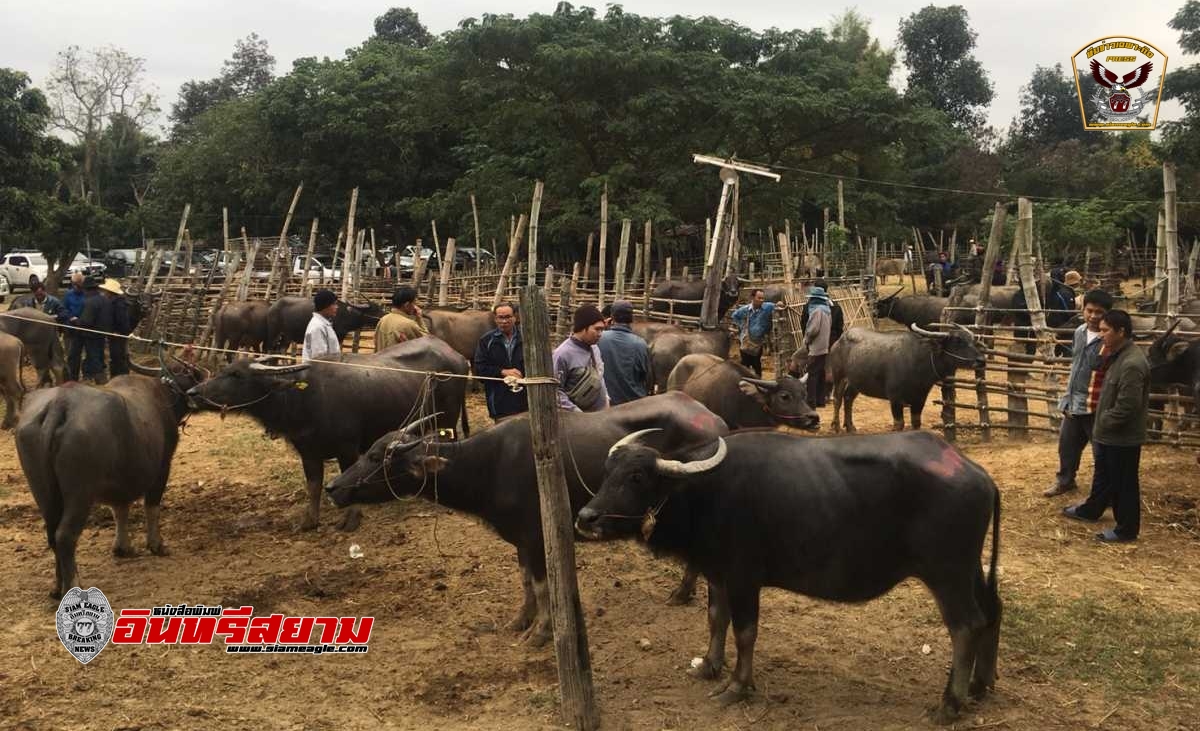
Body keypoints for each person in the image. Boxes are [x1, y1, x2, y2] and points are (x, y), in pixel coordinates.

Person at [1062, 310, 1149, 542]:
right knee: (1111, 477)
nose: (1101, 335)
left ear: (1121, 332)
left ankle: (1126, 530)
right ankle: (1096, 512)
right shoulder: (1118, 356)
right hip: (1113, 434)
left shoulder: (1131, 363)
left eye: (1105, 331)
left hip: (1122, 436)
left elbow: (1127, 406)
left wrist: (1103, 423)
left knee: (1124, 484)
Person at [1044, 289, 1112, 498]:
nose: (1093, 316)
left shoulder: (1110, 339)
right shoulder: (1079, 332)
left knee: (1102, 453)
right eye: (1089, 310)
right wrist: (1067, 396)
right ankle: (1065, 481)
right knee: (1067, 446)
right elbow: (1076, 366)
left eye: (1099, 312)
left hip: (1096, 403)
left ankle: (1106, 493)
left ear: (1107, 313)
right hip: (1074, 401)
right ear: (1082, 309)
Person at [473, 302, 528, 421]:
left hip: (525, 400)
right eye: (500, 317)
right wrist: (502, 372)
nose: (504, 321)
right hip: (499, 400)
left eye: (508, 317)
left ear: (515, 317)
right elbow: (480, 370)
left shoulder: (527, 338)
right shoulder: (486, 341)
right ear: (495, 319)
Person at [553, 304, 609, 412]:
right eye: (597, 329)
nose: (600, 334)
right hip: (576, 421)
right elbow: (555, 391)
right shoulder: (562, 354)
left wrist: (606, 399)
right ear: (583, 328)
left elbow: (600, 377)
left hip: (600, 418)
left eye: (602, 330)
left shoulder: (595, 349)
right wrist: (576, 412)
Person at [597, 300, 649, 406]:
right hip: (633, 405)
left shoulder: (599, 339)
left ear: (612, 317)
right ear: (631, 318)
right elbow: (647, 378)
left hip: (605, 404)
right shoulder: (640, 343)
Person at [730, 288, 775, 377]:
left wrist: (780, 304)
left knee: (757, 364)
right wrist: (742, 326)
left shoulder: (767, 307)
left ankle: (758, 382)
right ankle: (744, 382)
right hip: (746, 341)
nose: (761, 300)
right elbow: (735, 316)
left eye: (763, 298)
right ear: (752, 298)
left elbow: (777, 306)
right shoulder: (745, 309)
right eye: (759, 298)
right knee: (745, 364)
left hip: (758, 343)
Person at [76, 277, 112, 384]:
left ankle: (101, 380)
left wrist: (77, 321)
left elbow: (86, 321)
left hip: (91, 335)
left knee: (94, 357)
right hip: (102, 334)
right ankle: (91, 376)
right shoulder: (105, 300)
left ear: (87, 289)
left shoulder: (90, 302)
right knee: (98, 356)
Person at [803, 284, 833, 408]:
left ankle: (811, 402)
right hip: (824, 345)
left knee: (812, 374)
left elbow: (813, 330)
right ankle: (821, 400)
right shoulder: (827, 310)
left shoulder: (817, 311)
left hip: (815, 347)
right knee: (820, 373)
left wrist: (807, 339)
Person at [375, 286, 427, 350]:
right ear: (407, 305)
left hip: (381, 359)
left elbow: (376, 343)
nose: (415, 306)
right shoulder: (408, 324)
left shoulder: (383, 319)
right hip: (397, 360)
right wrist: (419, 319)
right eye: (414, 303)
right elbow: (428, 342)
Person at [100, 278, 132, 377]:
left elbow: (122, 321)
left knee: (118, 356)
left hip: (117, 335)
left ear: (110, 292)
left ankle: (121, 376)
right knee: (117, 356)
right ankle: (118, 375)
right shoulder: (115, 302)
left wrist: (118, 331)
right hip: (115, 334)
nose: (104, 293)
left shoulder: (118, 304)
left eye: (105, 291)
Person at [61, 272, 87, 381]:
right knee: (71, 354)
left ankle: (86, 375)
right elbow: (64, 309)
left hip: (84, 327)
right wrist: (71, 317)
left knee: (86, 354)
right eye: (75, 284)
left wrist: (80, 320)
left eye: (79, 285)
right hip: (70, 328)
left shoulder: (86, 294)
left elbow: (89, 309)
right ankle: (73, 377)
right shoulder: (68, 294)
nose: (76, 287)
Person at [303, 289, 341, 361]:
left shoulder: (323, 324)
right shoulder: (317, 327)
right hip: (320, 371)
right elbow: (320, 359)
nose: (337, 307)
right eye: (334, 304)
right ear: (325, 306)